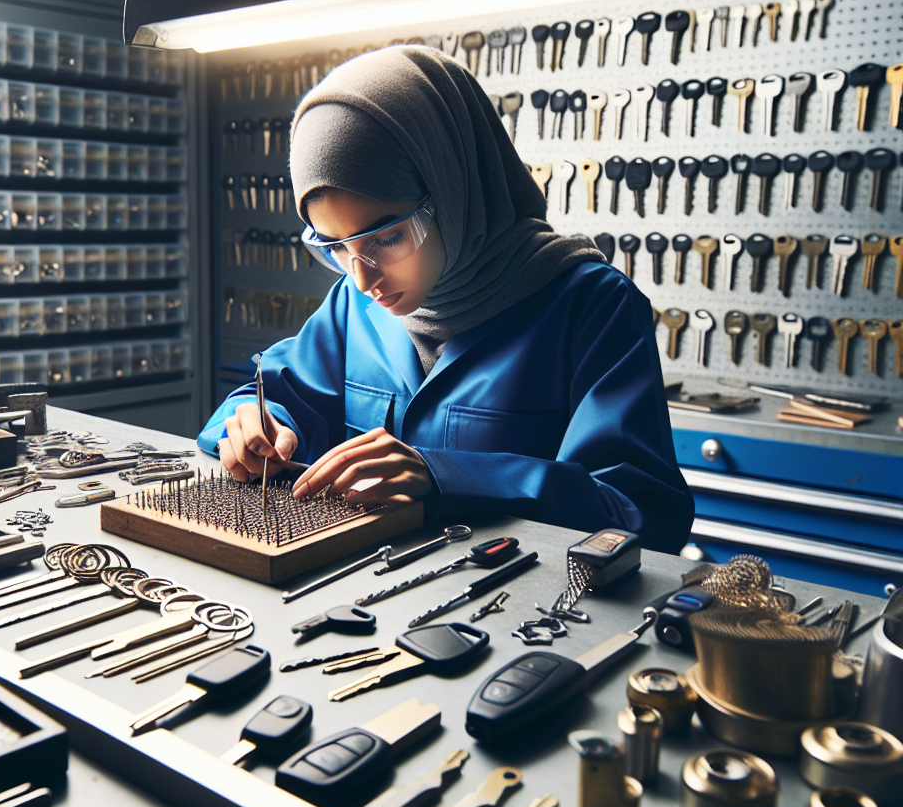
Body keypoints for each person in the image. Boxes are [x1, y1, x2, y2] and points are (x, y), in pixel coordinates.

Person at [198, 46, 694, 553]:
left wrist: (449, 477)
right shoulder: (355, 306)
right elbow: (270, 396)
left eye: (384, 239)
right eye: (335, 247)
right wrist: (251, 426)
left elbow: (644, 515)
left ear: (454, 189)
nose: (363, 277)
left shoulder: (592, 307)